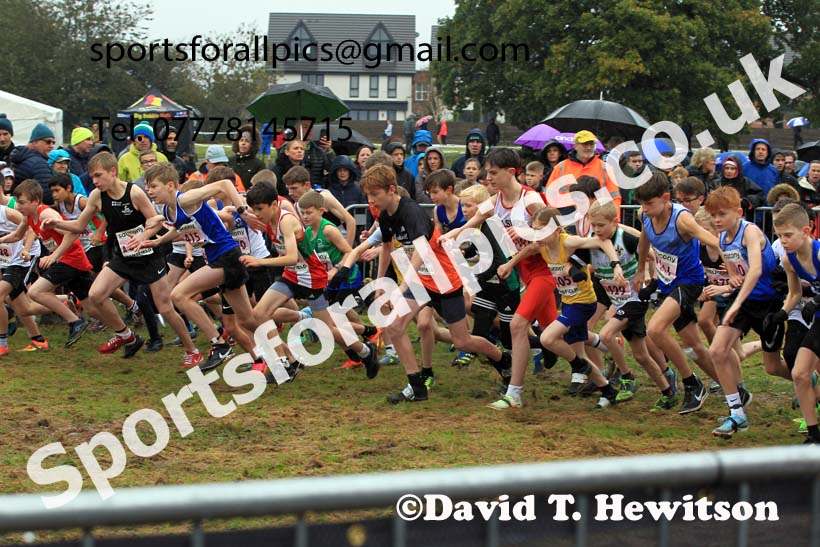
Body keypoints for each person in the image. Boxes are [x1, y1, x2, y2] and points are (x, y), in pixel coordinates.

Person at [360, 164, 511, 404]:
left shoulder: (411, 211)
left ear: (391, 190)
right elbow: (387, 247)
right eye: (367, 195)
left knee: (462, 340)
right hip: (420, 279)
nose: (371, 200)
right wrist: (380, 283)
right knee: (396, 326)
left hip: (443, 278)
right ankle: (416, 386)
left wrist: (401, 288)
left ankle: (503, 360)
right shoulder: (385, 215)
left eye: (374, 194)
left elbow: (423, 250)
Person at [43, 152, 197, 362]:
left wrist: (142, 236)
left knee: (164, 308)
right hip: (124, 256)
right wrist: (57, 223)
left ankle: (191, 350)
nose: (95, 181)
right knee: (96, 294)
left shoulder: (134, 193)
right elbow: (79, 225)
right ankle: (125, 335)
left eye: (98, 175)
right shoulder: (97, 196)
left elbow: (156, 222)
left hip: (148, 256)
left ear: (113, 172)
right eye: (92, 176)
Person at [441, 147, 558, 409]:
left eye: (493, 173)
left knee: (517, 327)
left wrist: (527, 232)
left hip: (544, 271)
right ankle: (603, 360)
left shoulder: (530, 199)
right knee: (559, 333)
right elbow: (473, 220)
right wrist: (452, 235)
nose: (488, 177)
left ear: (511, 172)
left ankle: (514, 393)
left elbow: (554, 230)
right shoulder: (496, 200)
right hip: (523, 270)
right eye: (487, 172)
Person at [132, 163, 264, 372]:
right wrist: (158, 241)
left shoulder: (184, 199)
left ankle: (219, 344)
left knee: (179, 295)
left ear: (170, 185)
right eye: (147, 186)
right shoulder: (168, 209)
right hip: (220, 258)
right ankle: (282, 357)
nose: (149, 191)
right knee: (247, 321)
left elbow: (224, 184)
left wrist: (242, 210)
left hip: (226, 257)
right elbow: (181, 229)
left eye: (153, 186)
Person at [243, 181, 379, 379]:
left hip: (312, 278)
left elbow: (291, 257)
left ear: (273, 205)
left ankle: (366, 351)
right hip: (292, 275)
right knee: (259, 314)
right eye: (254, 209)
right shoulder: (268, 219)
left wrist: (259, 261)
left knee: (326, 330)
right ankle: (286, 362)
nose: (256, 214)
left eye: (259, 209)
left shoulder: (286, 221)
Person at [634, 172, 729, 414]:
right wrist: (641, 270)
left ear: (666, 198)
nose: (645, 208)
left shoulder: (682, 219)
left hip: (689, 282)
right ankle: (733, 390)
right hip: (669, 283)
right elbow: (644, 241)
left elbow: (712, 240)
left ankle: (691, 383)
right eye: (642, 203)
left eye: (649, 203)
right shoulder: (645, 215)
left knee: (655, 329)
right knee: (694, 346)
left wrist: (730, 262)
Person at [706, 186, 785, 437]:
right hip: (744, 301)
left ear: (738, 212)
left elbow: (756, 270)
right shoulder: (722, 239)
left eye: (722, 214)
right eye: (713, 215)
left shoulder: (749, 231)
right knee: (717, 350)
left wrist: (736, 301)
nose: (717, 220)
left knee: (773, 367)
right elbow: (735, 276)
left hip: (768, 304)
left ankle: (806, 379)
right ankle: (737, 414)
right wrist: (725, 287)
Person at [589, 201, 676, 406]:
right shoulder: (591, 243)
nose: (597, 230)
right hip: (619, 301)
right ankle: (668, 391)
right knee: (641, 355)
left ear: (614, 222)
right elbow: (573, 259)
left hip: (636, 299)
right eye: (593, 225)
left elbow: (654, 256)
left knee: (606, 334)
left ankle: (627, 378)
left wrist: (651, 282)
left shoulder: (626, 239)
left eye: (601, 225)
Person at [1, 180, 99, 347]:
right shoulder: (29, 216)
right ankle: (127, 332)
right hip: (65, 260)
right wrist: (2, 240)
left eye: (21, 202)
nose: (18, 206)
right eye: (17, 202)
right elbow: (17, 235)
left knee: (35, 292)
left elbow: (73, 232)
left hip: (70, 259)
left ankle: (75, 321)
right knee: (95, 306)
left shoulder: (45, 215)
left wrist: (54, 256)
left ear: (35, 201)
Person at [771, 203, 820, 443]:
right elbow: (794, 293)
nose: (783, 241)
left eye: (788, 235)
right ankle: (814, 435)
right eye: (779, 235)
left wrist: (817, 301)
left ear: (806, 231)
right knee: (800, 374)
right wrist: (780, 314)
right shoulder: (789, 259)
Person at [546, 130, 622, 215]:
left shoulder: (606, 168)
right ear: (575, 146)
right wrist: (552, 216)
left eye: (591, 144)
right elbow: (550, 195)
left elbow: (615, 197)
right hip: (566, 215)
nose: (589, 147)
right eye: (585, 144)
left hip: (596, 214)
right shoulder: (561, 167)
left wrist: (615, 218)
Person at [283, 166, 358, 248]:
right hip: (322, 248)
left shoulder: (324, 197)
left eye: (294, 188)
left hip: (341, 245)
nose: (290, 193)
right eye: (288, 189)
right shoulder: (296, 205)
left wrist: (348, 250)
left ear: (307, 185)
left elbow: (350, 221)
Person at [10, 123, 56, 205]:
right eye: (48, 142)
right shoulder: (38, 163)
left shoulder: (20, 158)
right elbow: (47, 195)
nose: (52, 146)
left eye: (53, 142)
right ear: (35, 142)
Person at [229, 124, 265, 190]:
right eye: (241, 140)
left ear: (252, 144)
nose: (243, 143)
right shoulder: (229, 161)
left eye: (247, 141)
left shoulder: (259, 164)